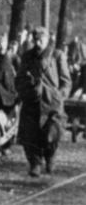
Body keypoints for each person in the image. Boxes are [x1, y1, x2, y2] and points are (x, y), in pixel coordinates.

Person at [15, 26, 71, 176]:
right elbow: (19, 78)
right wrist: (24, 91)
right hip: (32, 100)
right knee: (29, 132)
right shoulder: (27, 56)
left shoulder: (57, 55)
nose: (38, 43)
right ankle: (35, 163)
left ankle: (50, 154)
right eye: (36, 40)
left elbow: (66, 81)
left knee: (52, 132)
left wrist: (60, 96)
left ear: (47, 40)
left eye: (41, 40)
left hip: (52, 102)